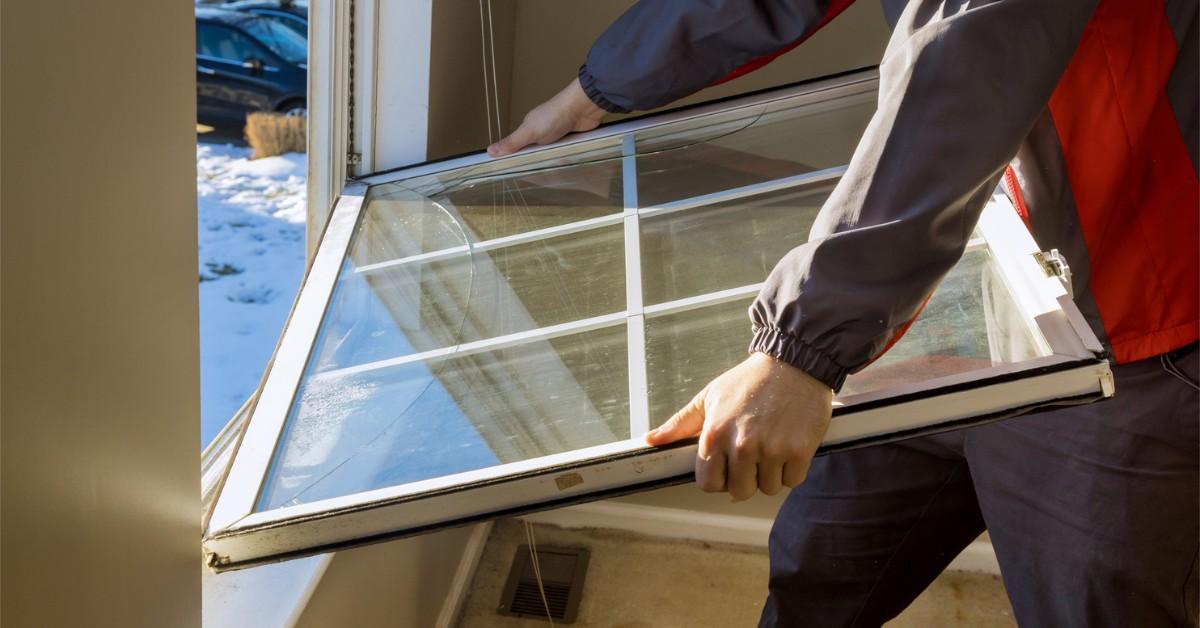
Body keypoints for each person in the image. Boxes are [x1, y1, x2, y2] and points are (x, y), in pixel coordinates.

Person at [490, 0, 1199, 625]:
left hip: (1132, 327)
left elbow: (970, 63)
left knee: (1091, 606)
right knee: (817, 571)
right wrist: (594, 91)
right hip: (973, 274)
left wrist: (802, 348)